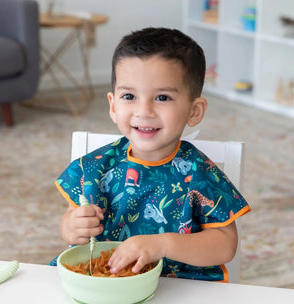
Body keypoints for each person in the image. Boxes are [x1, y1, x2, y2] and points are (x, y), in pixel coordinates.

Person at [53, 27, 251, 282]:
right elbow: (70, 220)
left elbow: (225, 245)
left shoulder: (199, 172)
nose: (143, 111)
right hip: (103, 281)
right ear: (113, 106)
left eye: (162, 97)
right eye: (129, 96)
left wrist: (163, 245)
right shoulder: (94, 167)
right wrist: (71, 227)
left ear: (194, 111)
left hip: (180, 287)